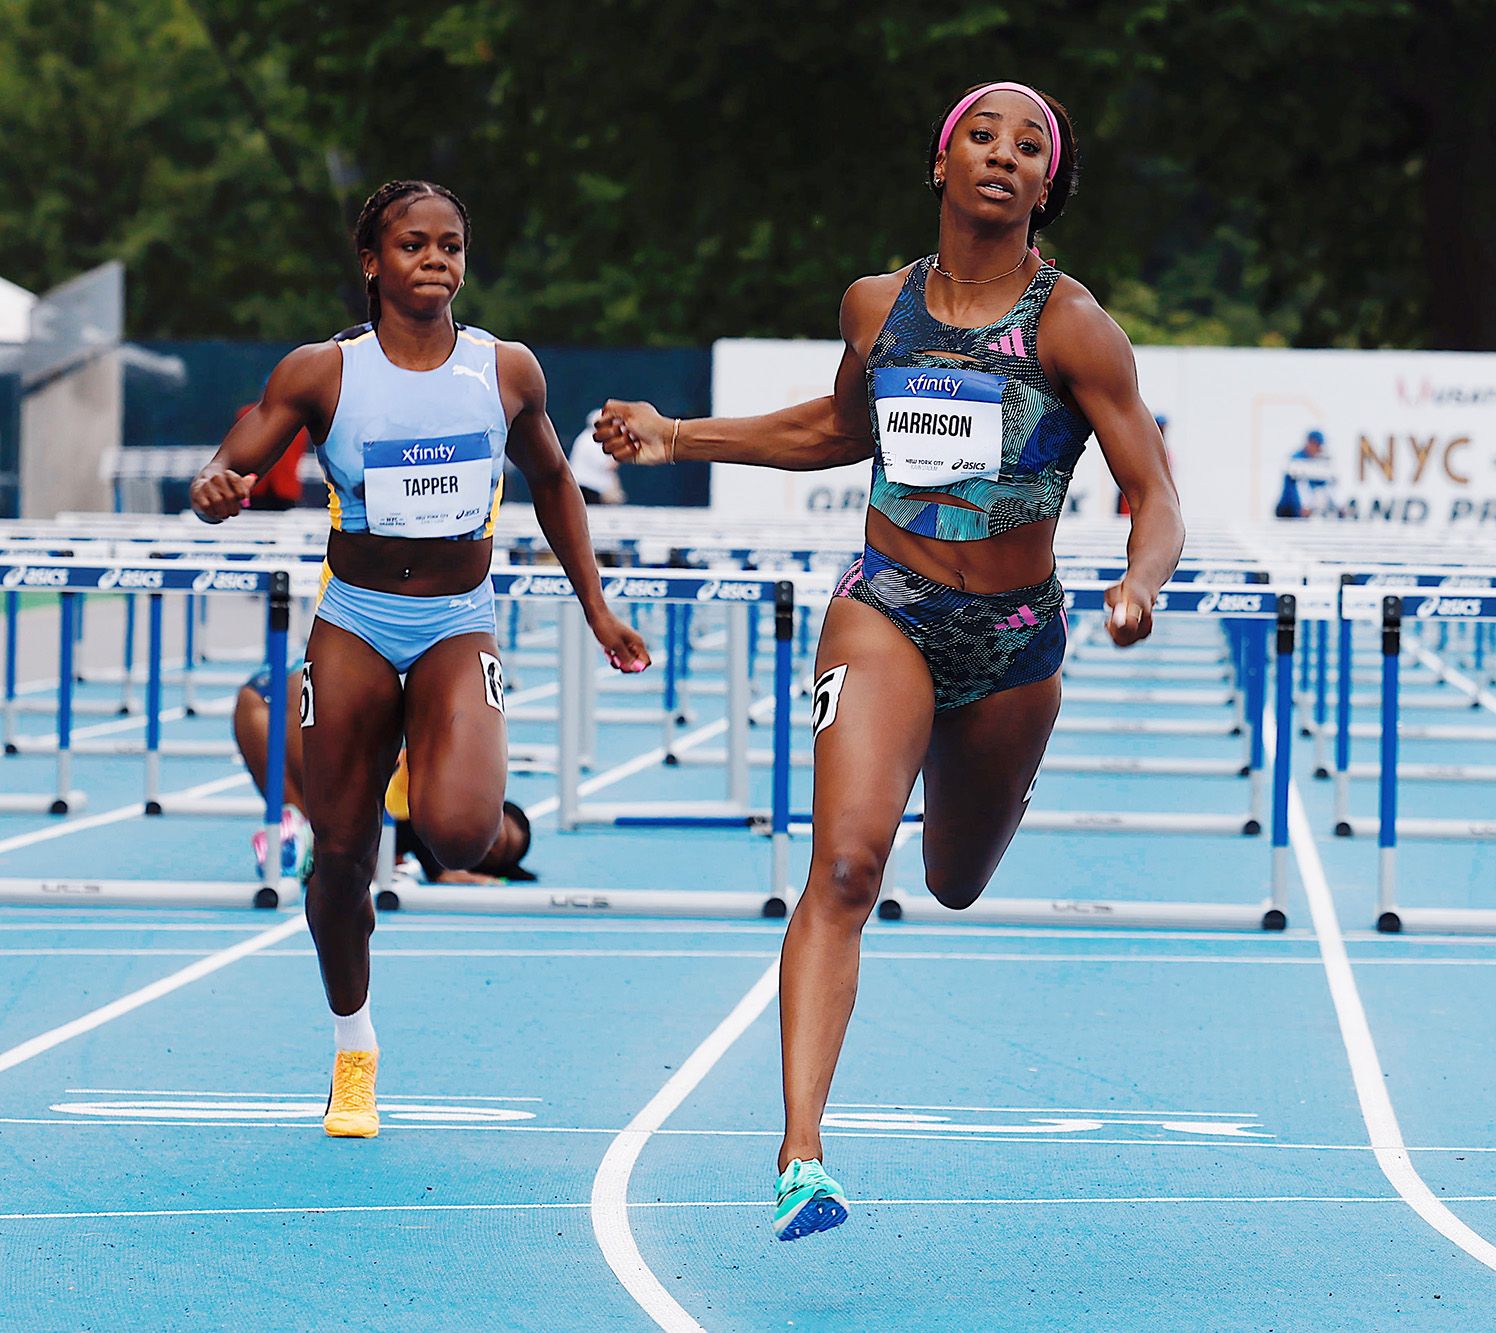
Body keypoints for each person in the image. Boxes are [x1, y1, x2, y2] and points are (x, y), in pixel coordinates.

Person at [597, 81, 1184, 1241]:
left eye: (1029, 147)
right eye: (980, 135)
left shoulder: (1071, 326)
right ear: (939, 162)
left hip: (1015, 640)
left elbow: (1154, 490)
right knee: (849, 870)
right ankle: (799, 1153)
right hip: (887, 606)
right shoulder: (876, 305)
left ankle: (970, 791)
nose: (1001, 156)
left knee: (956, 877)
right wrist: (678, 437)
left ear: (1045, 186)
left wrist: (1138, 583)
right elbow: (835, 430)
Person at [192, 179, 647, 1140]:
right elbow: (235, 456)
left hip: (455, 622)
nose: (436, 260)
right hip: (354, 622)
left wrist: (597, 607)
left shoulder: (506, 369)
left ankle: (442, 749)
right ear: (372, 262)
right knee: (345, 857)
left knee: (456, 833)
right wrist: (217, 486)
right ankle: (353, 1049)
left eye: (450, 245)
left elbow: (555, 481)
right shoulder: (325, 371)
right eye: (413, 244)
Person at [234, 664, 535, 884]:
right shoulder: (449, 793)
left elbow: (440, 867)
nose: (493, 842)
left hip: (263, 705)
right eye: (500, 832)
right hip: (308, 685)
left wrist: (448, 874)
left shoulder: (434, 845)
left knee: (319, 828)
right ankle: (297, 839)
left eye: (497, 852)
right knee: (331, 822)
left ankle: (294, 835)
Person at [568, 409, 625, 505]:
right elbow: (608, 466)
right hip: (589, 489)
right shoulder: (594, 441)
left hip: (582, 486)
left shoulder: (584, 438)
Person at [1275, 428, 1333, 519]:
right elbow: (1296, 488)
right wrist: (1300, 507)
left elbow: (1323, 487)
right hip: (1288, 509)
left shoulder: (1317, 463)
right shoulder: (1296, 460)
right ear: (1310, 443)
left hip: (1302, 511)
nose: (1319, 449)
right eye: (1317, 445)